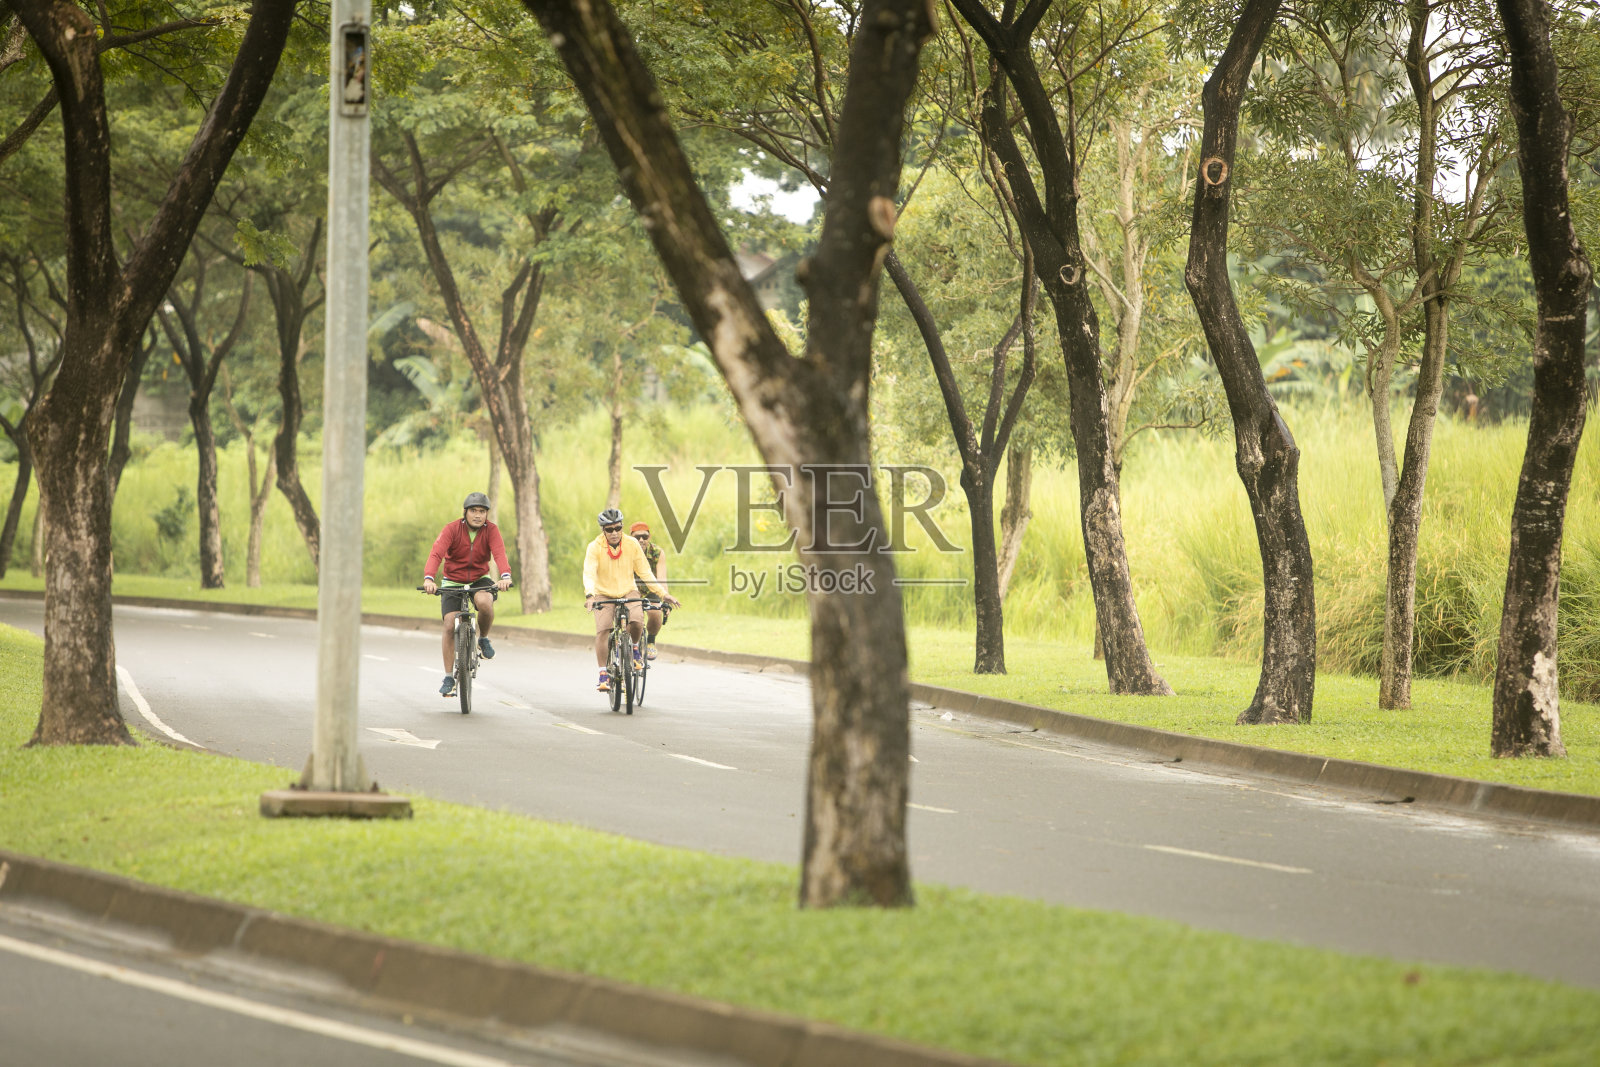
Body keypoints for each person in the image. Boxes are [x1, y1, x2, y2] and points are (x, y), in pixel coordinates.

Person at [422, 492, 512, 697]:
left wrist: (505, 576)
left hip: (479, 578)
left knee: (485, 602)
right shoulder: (452, 529)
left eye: (482, 511)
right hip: (453, 580)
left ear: (487, 514)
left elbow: (499, 553)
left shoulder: (491, 531)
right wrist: (429, 578)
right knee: (448, 623)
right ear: (465, 512)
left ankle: (483, 639)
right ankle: (447, 677)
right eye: (473, 511)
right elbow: (436, 553)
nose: (478, 515)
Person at [583, 508, 678, 692]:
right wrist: (590, 595)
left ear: (622, 527)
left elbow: (645, 572)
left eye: (618, 528)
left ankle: (635, 648)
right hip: (604, 593)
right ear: (603, 530)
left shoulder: (632, 544)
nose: (614, 533)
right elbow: (589, 572)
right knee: (603, 629)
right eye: (609, 529)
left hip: (629, 591)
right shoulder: (594, 547)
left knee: (636, 621)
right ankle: (603, 673)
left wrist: (662, 594)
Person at [630, 521, 670, 660]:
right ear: (631, 538)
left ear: (649, 537)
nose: (641, 540)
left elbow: (662, 578)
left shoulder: (657, 552)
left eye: (644, 537)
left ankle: (651, 641)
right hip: (630, 588)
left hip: (650, 587)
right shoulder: (626, 551)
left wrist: (665, 600)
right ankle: (621, 642)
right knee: (628, 618)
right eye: (637, 537)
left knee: (655, 613)